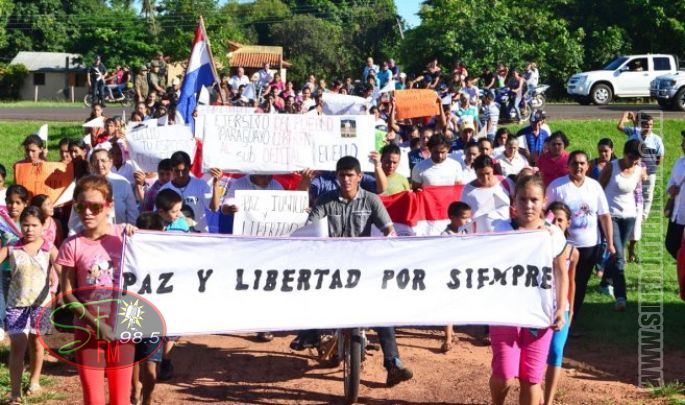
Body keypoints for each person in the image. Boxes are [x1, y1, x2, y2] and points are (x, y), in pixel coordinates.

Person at [290, 156, 413, 387]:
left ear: (359, 177)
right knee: (313, 289)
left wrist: (391, 243)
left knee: (381, 310)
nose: (346, 179)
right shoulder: (325, 200)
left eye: (350, 175)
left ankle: (393, 362)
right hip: (331, 265)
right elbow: (310, 228)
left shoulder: (371, 199)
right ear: (337, 177)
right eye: (342, 175)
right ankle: (310, 332)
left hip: (363, 265)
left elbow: (389, 229)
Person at [56, 175, 137, 405]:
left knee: (121, 400)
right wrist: (96, 324)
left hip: (122, 332)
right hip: (87, 333)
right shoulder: (72, 245)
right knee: (93, 400)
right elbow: (67, 294)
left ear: (109, 206)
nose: (87, 212)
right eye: (81, 206)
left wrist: (137, 234)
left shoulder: (125, 236)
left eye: (95, 206)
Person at [489, 174, 568, 405]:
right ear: (514, 200)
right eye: (523, 199)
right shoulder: (500, 230)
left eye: (534, 200)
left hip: (539, 314)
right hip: (505, 312)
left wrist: (560, 309)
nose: (528, 205)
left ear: (544, 201)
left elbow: (561, 271)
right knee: (504, 373)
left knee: (531, 378)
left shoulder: (553, 234)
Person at [545, 151, 614, 325]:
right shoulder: (557, 186)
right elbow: (545, 215)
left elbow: (604, 215)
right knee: (561, 281)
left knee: (580, 283)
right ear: (568, 165)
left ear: (588, 166)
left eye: (582, 163)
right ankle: (557, 313)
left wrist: (610, 242)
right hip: (562, 246)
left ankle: (572, 319)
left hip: (589, 245)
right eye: (575, 163)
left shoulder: (594, 186)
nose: (579, 167)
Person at [1, 206, 58, 404]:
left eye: (34, 225)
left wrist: (59, 280)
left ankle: (34, 381)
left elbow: (63, 268)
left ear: (43, 226)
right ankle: (15, 393)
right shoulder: (12, 248)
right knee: (18, 346)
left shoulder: (49, 248)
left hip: (41, 305)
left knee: (36, 343)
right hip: (16, 304)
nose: (29, 229)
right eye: (25, 225)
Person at [598, 139, 647, 311]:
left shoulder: (639, 170)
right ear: (625, 153)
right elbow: (598, 189)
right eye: (632, 158)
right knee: (619, 256)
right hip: (611, 216)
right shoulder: (611, 167)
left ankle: (605, 283)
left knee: (615, 255)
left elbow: (638, 188)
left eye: (637, 159)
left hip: (629, 216)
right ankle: (621, 297)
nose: (634, 162)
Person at [543, 202, 578, 405]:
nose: (556, 223)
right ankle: (535, 393)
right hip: (539, 307)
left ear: (568, 223)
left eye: (560, 220)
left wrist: (570, 310)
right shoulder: (538, 244)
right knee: (538, 353)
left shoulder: (573, 252)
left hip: (561, 308)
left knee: (556, 352)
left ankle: (548, 401)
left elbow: (571, 282)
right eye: (553, 219)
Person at [131, 212, 165, 405]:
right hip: (132, 312)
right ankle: (135, 391)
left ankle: (147, 400)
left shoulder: (167, 252)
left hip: (155, 316)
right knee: (134, 359)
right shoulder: (129, 247)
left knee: (150, 364)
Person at [616, 112, 665, 220]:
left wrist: (652, 166)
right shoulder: (633, 137)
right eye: (646, 124)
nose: (649, 127)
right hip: (634, 172)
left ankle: (643, 216)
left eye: (651, 125)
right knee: (633, 191)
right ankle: (633, 212)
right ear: (641, 124)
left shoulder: (656, 139)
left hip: (650, 172)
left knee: (647, 193)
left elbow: (660, 155)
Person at [158, 151, 221, 233]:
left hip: (199, 235)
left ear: (190, 167)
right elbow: (159, 216)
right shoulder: (164, 189)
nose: (180, 174)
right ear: (171, 169)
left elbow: (214, 208)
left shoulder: (201, 185)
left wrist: (215, 184)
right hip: (174, 236)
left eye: (184, 170)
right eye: (177, 171)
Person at [440, 201, 473, 353]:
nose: (467, 221)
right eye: (464, 218)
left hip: (461, 274)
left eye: (468, 217)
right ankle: (447, 338)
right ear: (453, 218)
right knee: (449, 305)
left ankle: (451, 332)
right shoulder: (445, 236)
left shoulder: (465, 232)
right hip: (449, 276)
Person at [1, 185, 30, 343]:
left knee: (21, 303)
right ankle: (5, 332)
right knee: (4, 302)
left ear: (25, 203)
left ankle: (22, 335)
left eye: (18, 202)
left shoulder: (30, 222)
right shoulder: (1, 222)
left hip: (25, 272)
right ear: (5, 201)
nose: (13, 206)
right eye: (10, 202)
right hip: (5, 270)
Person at [460, 155, 511, 233]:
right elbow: (463, 217)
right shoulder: (467, 191)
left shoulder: (505, 182)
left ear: (492, 169)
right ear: (475, 172)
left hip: (507, 234)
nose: (485, 178)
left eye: (488, 173)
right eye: (480, 174)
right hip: (481, 237)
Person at [665, 132, 685, 260]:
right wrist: (671, 188)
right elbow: (671, 181)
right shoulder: (679, 162)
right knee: (671, 244)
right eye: (682, 142)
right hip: (677, 212)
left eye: (684, 143)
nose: (682, 145)